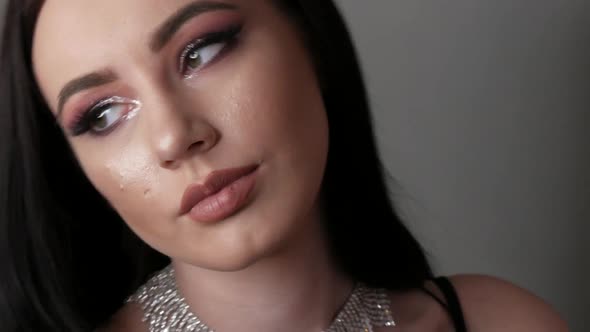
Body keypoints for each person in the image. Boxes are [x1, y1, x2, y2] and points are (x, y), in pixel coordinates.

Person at [0, 0, 568, 331]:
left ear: (310, 40)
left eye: (201, 52)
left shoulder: (504, 321)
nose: (174, 136)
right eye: (101, 114)